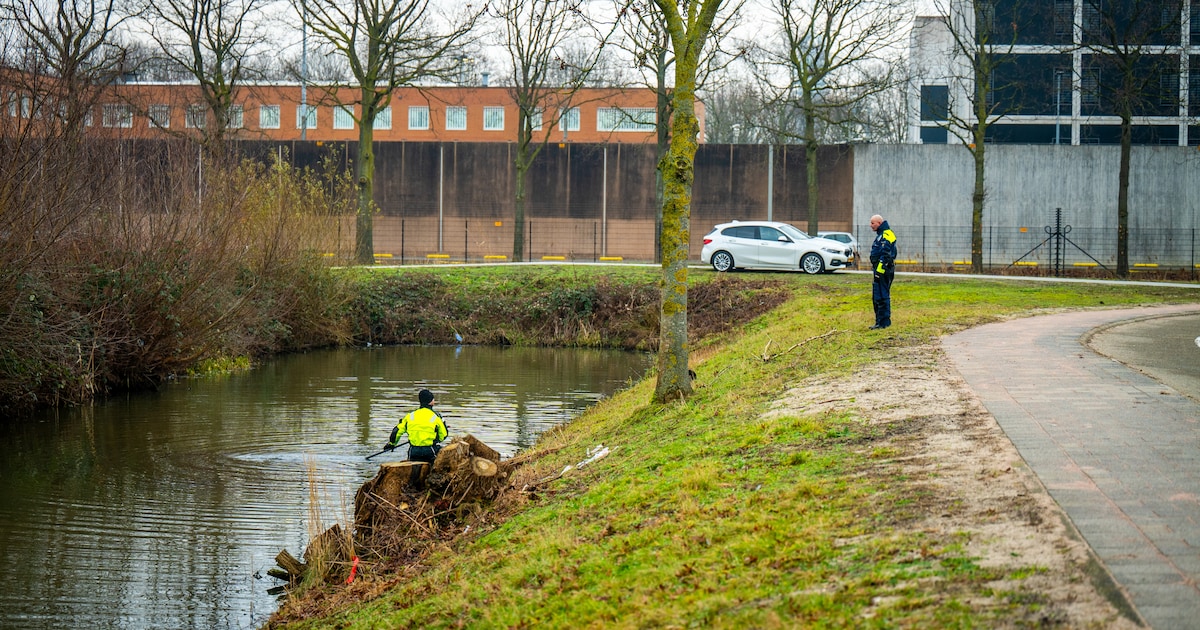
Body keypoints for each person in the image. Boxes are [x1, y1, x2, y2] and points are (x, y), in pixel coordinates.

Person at [384, 388, 448, 464]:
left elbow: (397, 431)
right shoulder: (436, 416)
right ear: (432, 402)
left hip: (413, 451)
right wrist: (435, 439)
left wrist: (391, 444)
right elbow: (443, 435)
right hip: (429, 450)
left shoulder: (410, 416)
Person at [868, 214, 897, 330]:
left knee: (882, 296)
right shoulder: (881, 235)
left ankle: (884, 323)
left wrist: (879, 271)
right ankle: (879, 322)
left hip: (884, 270)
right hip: (879, 269)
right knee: (877, 296)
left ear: (879, 223)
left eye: (872, 223)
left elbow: (886, 255)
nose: (871, 225)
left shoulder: (887, 234)